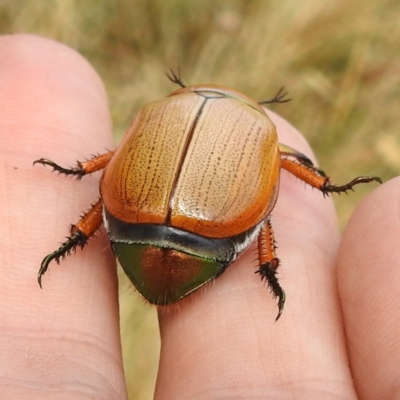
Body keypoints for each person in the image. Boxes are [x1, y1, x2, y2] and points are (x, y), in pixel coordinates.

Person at [1, 34, 398, 400]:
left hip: (137, 221)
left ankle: (78, 237)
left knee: (108, 191)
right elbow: (286, 168)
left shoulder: (160, 111)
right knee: (264, 216)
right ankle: (268, 269)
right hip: (211, 233)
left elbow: (113, 159)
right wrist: (327, 185)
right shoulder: (260, 129)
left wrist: (80, 170)